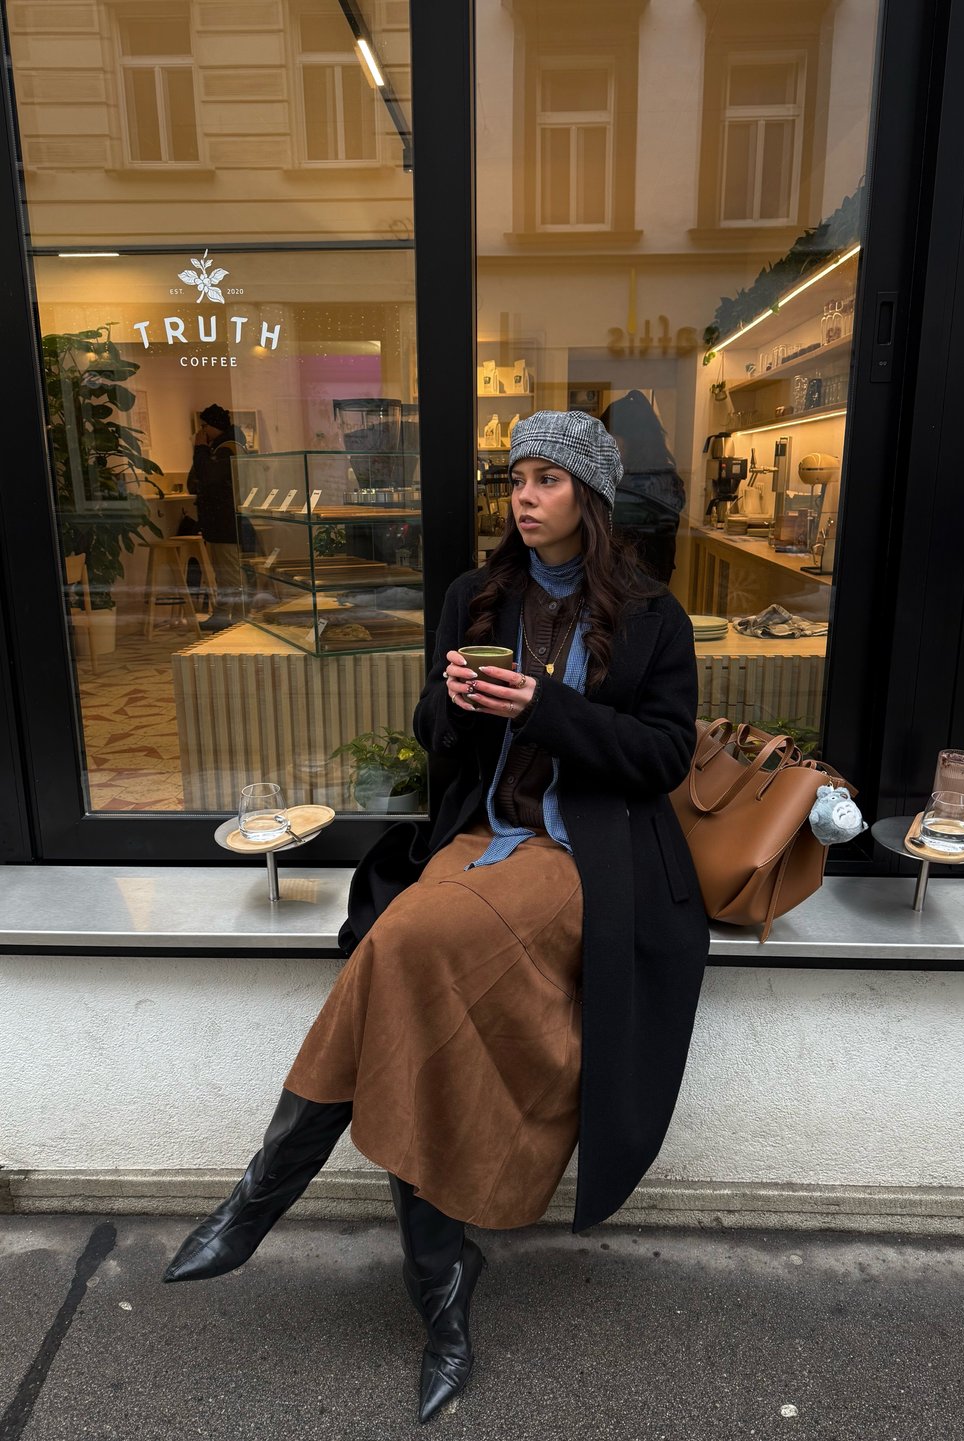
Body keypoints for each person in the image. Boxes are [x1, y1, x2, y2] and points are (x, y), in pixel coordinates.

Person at [162, 410, 709, 1423]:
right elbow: (435, 735)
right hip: (477, 838)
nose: (523, 496)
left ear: (587, 495)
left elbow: (662, 759)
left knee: (404, 937)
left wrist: (540, 708)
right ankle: (441, 1292)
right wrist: (453, 699)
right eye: (516, 478)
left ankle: (260, 1197)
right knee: (411, 969)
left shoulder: (648, 614)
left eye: (546, 479)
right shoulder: (477, 593)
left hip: (578, 856)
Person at [601, 390, 685, 582]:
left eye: (610, 439)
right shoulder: (660, 478)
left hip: (638, 584)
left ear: (634, 440)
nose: (604, 448)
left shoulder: (651, 483)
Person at [187, 403, 246, 631]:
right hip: (222, 522)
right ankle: (223, 615)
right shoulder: (228, 445)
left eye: (204, 426)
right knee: (224, 573)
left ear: (213, 426)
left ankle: (239, 620)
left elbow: (209, 477)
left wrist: (200, 449)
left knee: (230, 574)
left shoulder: (227, 448)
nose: (202, 431)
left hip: (225, 522)